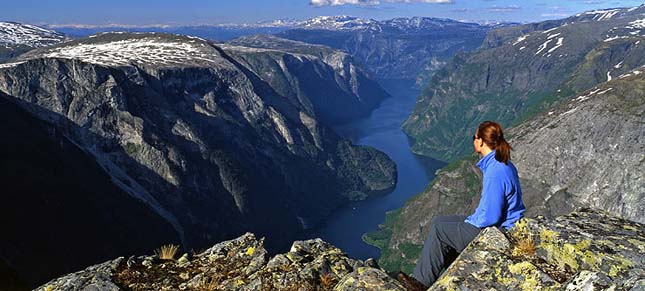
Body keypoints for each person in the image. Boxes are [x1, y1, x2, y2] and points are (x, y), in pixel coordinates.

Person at [395, 121, 526, 290]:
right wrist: (471, 220)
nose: (473, 141)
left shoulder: (495, 171)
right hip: (501, 225)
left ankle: (421, 283)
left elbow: (491, 216)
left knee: (441, 231)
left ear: (480, 141)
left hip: (499, 231)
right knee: (439, 221)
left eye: (474, 137)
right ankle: (451, 273)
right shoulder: (502, 163)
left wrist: (471, 222)